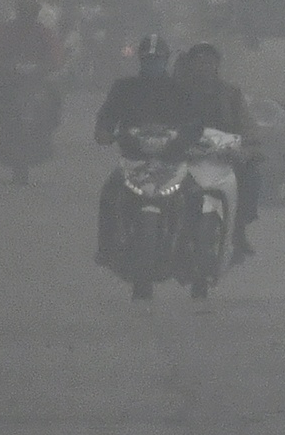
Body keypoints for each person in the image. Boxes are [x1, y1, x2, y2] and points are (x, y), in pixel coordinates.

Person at [92, 33, 201, 266]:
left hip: (173, 161)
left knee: (195, 195)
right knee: (110, 194)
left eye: (158, 59)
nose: (153, 63)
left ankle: (192, 248)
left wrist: (190, 139)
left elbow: (194, 123)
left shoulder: (180, 90)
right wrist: (104, 131)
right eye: (148, 59)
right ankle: (107, 247)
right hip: (133, 160)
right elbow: (107, 116)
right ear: (141, 60)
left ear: (166, 60)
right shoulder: (123, 88)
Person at [174, 42, 261, 261]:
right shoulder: (176, 92)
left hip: (222, 155)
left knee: (251, 176)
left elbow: (247, 125)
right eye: (200, 61)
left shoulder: (231, 93)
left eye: (209, 61)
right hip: (184, 153)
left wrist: (249, 145)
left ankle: (238, 229)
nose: (204, 66)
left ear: (217, 65)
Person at [0, 0, 65, 181]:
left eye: (31, 12)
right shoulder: (6, 30)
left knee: (55, 97)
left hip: (37, 79)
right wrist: (2, 66)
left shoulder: (43, 32)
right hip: (9, 79)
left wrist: (46, 66)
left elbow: (56, 55)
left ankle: (47, 132)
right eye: (24, 11)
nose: (27, 15)